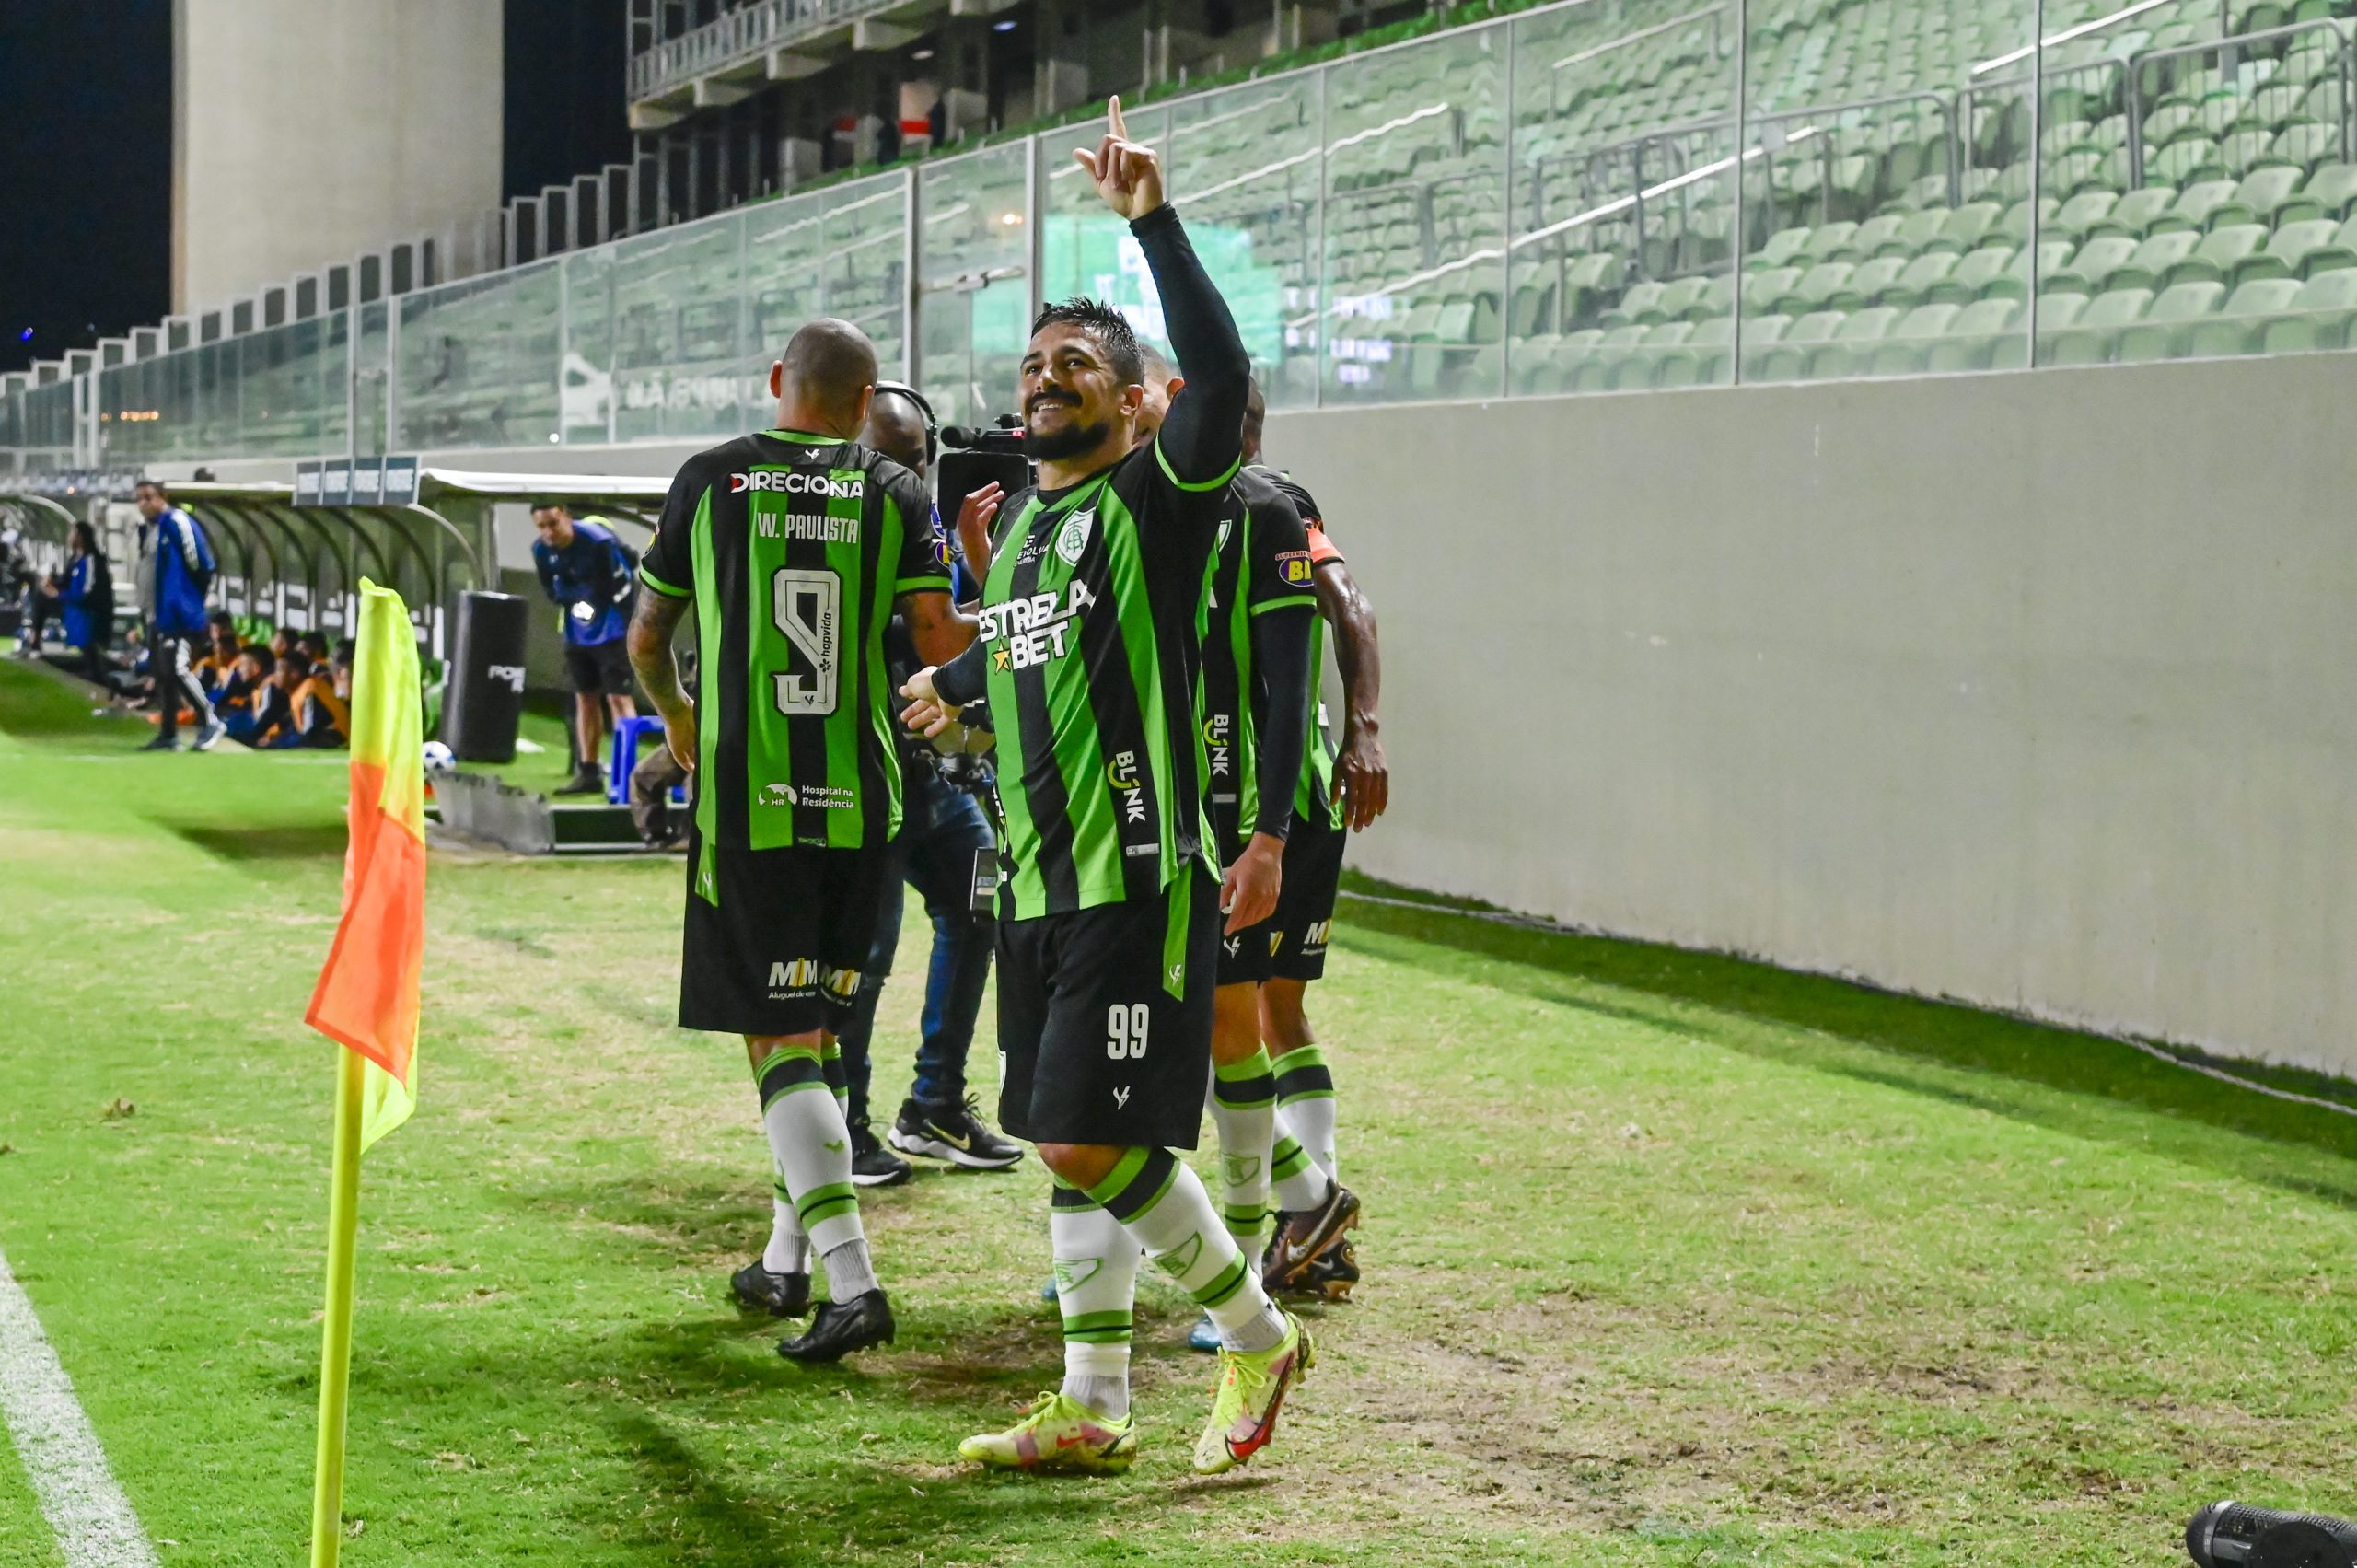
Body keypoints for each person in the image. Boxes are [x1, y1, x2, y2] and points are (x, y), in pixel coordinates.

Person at [900, 97, 1312, 1478]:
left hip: (1134, 874)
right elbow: (1025, 664)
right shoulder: (1019, 535)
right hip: (1034, 878)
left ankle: (1255, 1331)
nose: (1045, 377)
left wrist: (1151, 218)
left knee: (1086, 1136)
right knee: (1056, 1136)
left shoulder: (1165, 494)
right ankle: (1093, 1400)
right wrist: (950, 691)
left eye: (1078, 362)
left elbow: (1220, 358)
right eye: (1034, 363)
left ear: (1137, 401)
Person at [626, 317, 974, 1365]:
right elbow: (938, 640)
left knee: (777, 1041)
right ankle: (785, 1259)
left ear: (780, 380)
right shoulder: (900, 492)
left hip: (751, 807)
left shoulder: (712, 478)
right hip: (867, 804)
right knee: (817, 1032)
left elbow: (647, 637)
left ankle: (854, 1280)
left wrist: (680, 717)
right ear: (866, 402)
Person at [825, 383, 1022, 1187]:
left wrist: (989, 580)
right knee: (864, 958)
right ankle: (847, 1125)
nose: (906, 473)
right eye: (889, 457)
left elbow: (947, 633)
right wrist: (1022, 604)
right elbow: (937, 631)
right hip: (861, 774)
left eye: (917, 458)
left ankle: (933, 1104)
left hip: (929, 775)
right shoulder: (835, 524)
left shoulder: (922, 524)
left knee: (977, 906)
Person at [1240, 415, 1388, 1303]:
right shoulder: (1238, 504)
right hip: (1280, 796)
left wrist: (1363, 730)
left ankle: (1305, 1210)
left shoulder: (1272, 506)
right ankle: (1315, 1226)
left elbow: (1352, 605)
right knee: (1270, 1011)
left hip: (1270, 803)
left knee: (1237, 1016)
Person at [531, 501, 640, 795]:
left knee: (619, 698)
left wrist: (578, 596)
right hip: (577, 634)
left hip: (613, 630)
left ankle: (629, 775)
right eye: (541, 526)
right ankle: (589, 772)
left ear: (566, 516)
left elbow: (615, 585)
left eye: (553, 523)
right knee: (585, 699)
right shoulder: (541, 551)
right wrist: (575, 597)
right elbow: (553, 592)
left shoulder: (598, 542)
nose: (548, 532)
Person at [132, 480, 226, 752]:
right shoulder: (151, 529)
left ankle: (210, 719)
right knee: (163, 674)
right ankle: (169, 733)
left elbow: (201, 563)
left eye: (148, 497)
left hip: (178, 615)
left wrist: (186, 601)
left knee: (177, 668)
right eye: (138, 498)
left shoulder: (176, 521)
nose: (143, 504)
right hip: (157, 614)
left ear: (162, 497)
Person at [43, 523, 116, 689]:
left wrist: (59, 594)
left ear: (80, 536)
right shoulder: (74, 560)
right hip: (74, 610)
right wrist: (52, 582)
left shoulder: (91, 560)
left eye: (72, 532)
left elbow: (88, 592)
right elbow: (66, 582)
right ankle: (35, 642)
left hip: (89, 615)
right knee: (41, 597)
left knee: (92, 655)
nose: (69, 536)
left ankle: (103, 682)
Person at [217, 645, 273, 743]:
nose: (239, 669)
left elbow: (260, 724)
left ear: (256, 668)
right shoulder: (254, 688)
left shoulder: (270, 688)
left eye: (243, 664)